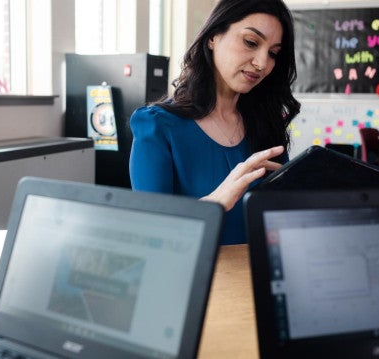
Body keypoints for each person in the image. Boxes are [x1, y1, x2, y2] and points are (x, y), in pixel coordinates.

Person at [129, 0, 300, 245]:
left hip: (258, 277)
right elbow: (150, 233)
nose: (262, 63)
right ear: (213, 37)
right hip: (196, 280)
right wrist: (216, 202)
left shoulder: (266, 125)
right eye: (251, 42)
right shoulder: (158, 126)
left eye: (273, 53)